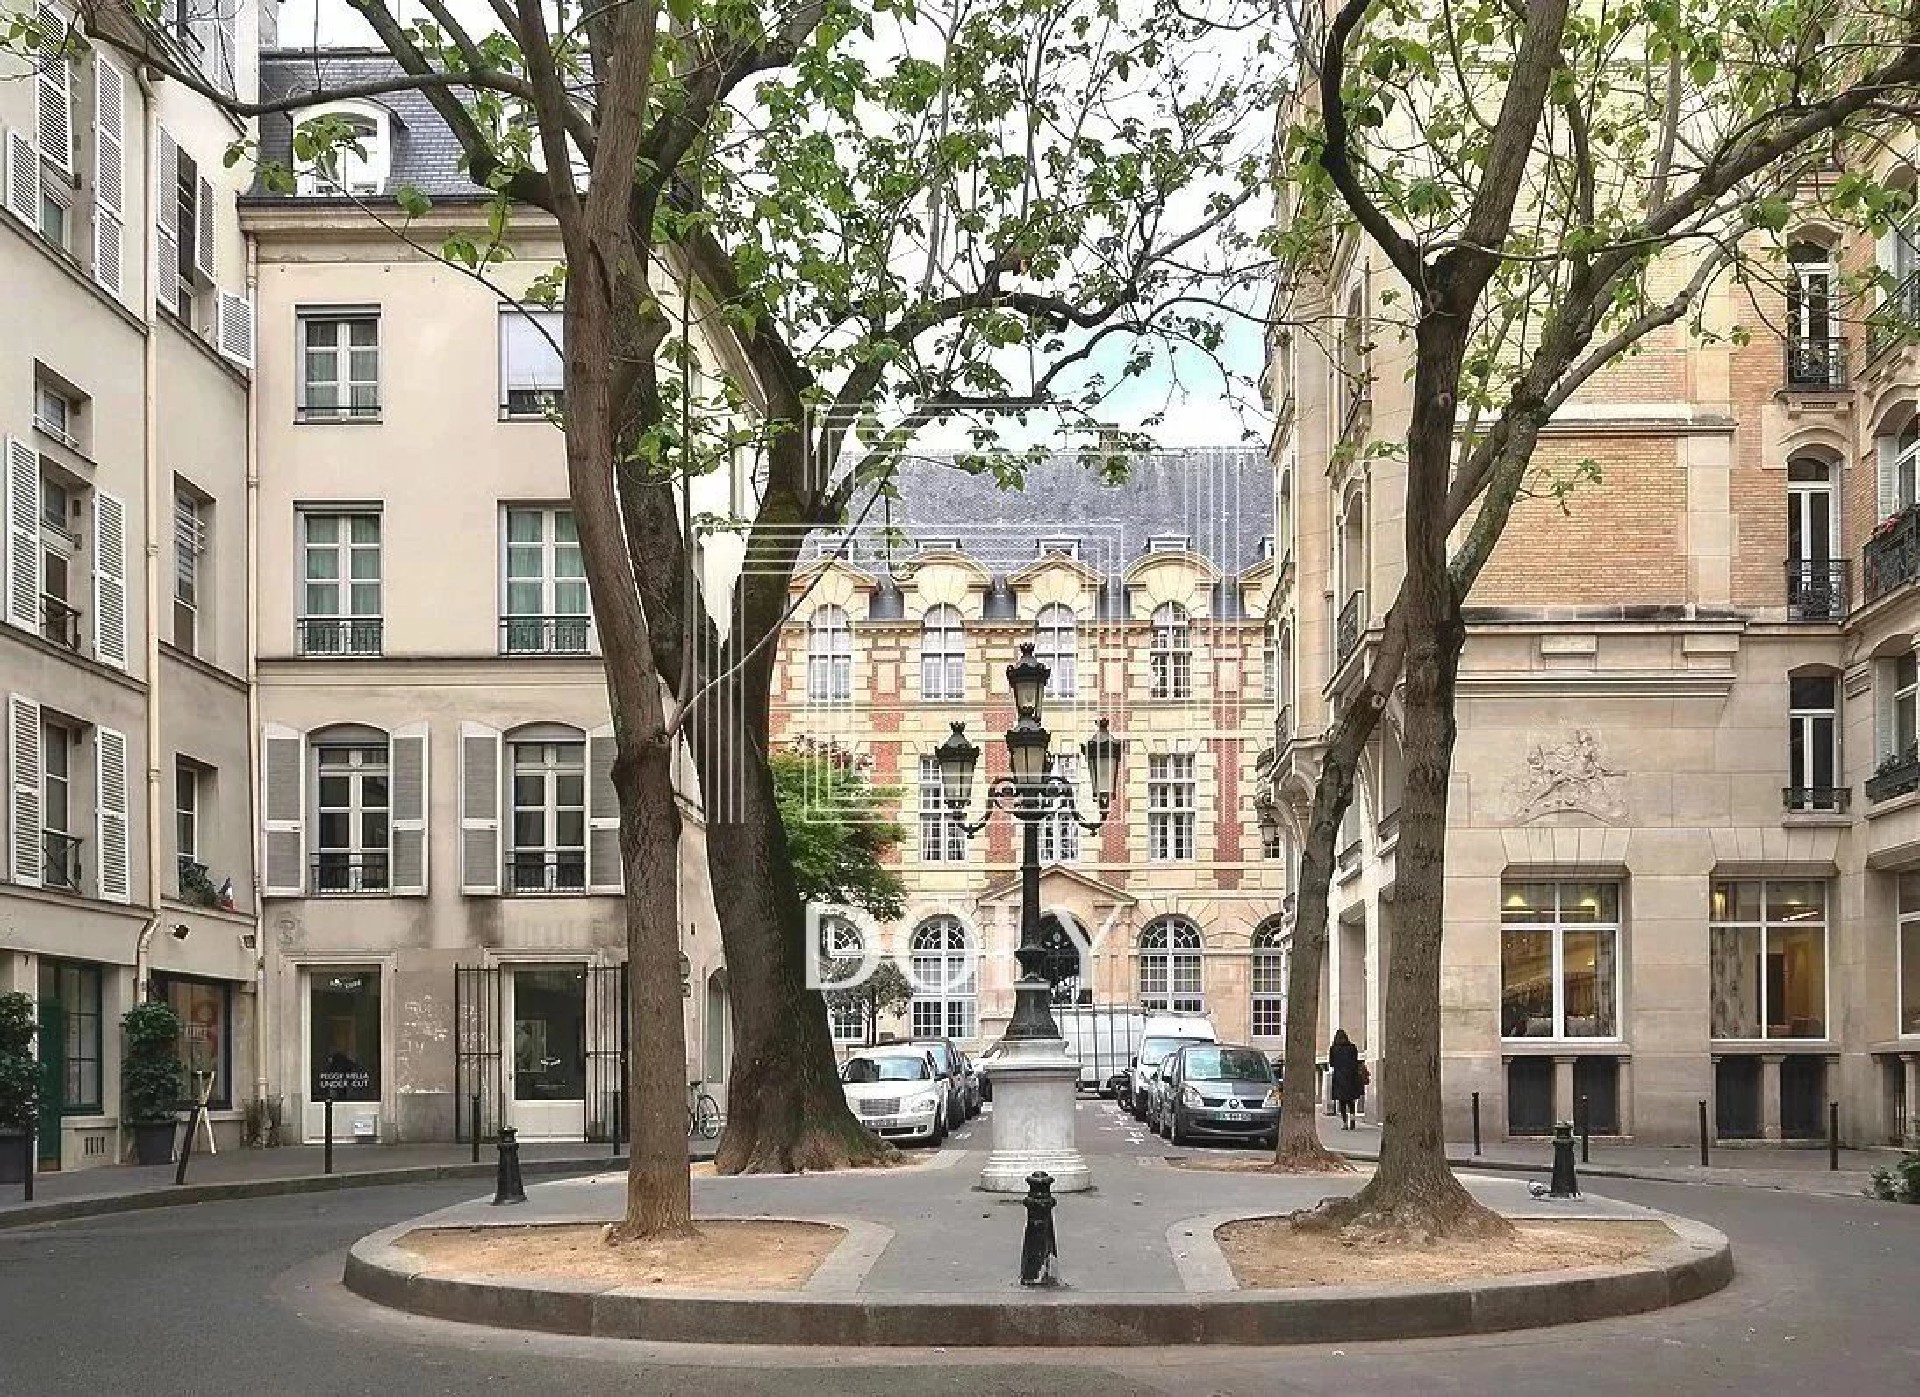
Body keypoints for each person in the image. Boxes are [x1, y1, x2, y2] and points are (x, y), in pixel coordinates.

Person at [1328, 1028, 1364, 1130]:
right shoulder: (1352, 1047)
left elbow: (1332, 1063)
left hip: (1339, 1078)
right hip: (1351, 1077)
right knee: (1351, 1100)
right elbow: (1356, 1060)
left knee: (1342, 1101)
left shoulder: (1333, 1049)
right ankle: (1352, 1119)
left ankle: (1344, 1123)